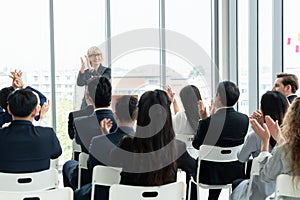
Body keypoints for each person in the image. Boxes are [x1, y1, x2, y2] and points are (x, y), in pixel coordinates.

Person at [74, 89, 197, 200]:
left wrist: (106, 135)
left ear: (140, 115)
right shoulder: (177, 148)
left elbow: (109, 165)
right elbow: (197, 172)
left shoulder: (127, 145)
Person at [192, 81, 249, 200]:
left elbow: (196, 145)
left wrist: (206, 119)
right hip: (235, 172)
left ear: (218, 96)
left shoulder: (206, 123)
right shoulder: (244, 120)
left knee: (208, 162)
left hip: (209, 175)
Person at [231, 91, 289, 200]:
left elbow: (241, 158)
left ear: (263, 110)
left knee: (238, 183)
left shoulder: (255, 137)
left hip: (260, 192)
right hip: (285, 192)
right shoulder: (291, 138)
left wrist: (257, 129)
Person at [63, 76, 117, 190]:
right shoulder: (122, 123)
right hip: (117, 178)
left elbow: (78, 142)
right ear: (110, 96)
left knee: (68, 164)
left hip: (88, 177)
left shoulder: (80, 123)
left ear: (88, 97)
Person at [0, 89, 62, 173]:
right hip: (41, 185)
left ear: (9, 109)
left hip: (5, 185)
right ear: (36, 111)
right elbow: (56, 153)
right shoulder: (48, 134)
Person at [250, 97, 300, 198]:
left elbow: (265, 176)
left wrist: (265, 142)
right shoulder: (284, 149)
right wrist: (280, 140)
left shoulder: (284, 150)